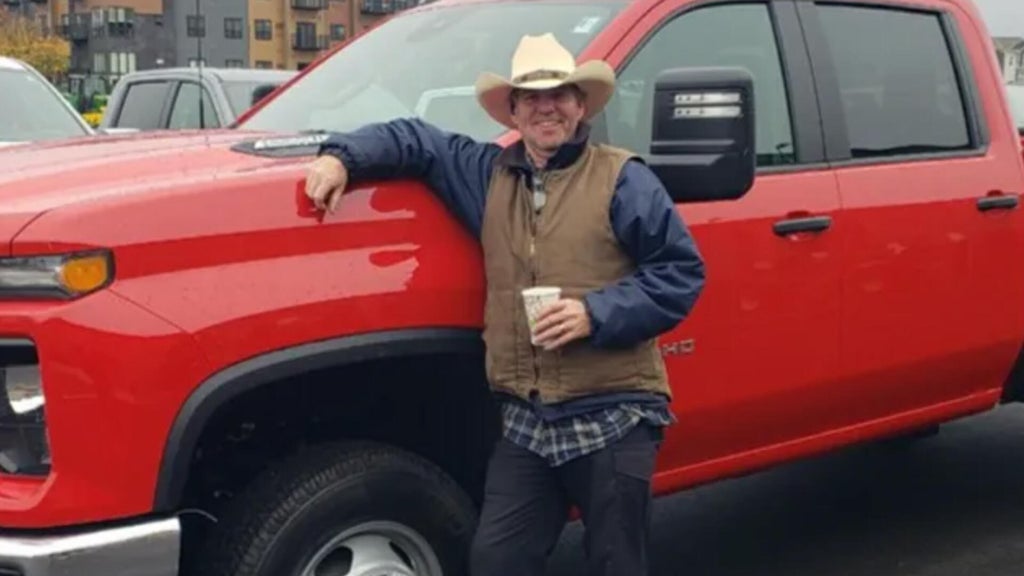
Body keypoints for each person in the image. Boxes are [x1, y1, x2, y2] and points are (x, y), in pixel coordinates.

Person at [304, 32, 705, 576]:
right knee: (497, 561)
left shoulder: (623, 179)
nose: (547, 107)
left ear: (580, 106)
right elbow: (416, 139)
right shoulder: (484, 175)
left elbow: (680, 273)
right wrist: (340, 158)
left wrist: (594, 314)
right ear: (514, 111)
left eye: (559, 94)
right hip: (527, 423)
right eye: (531, 97)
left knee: (618, 564)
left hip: (612, 414)